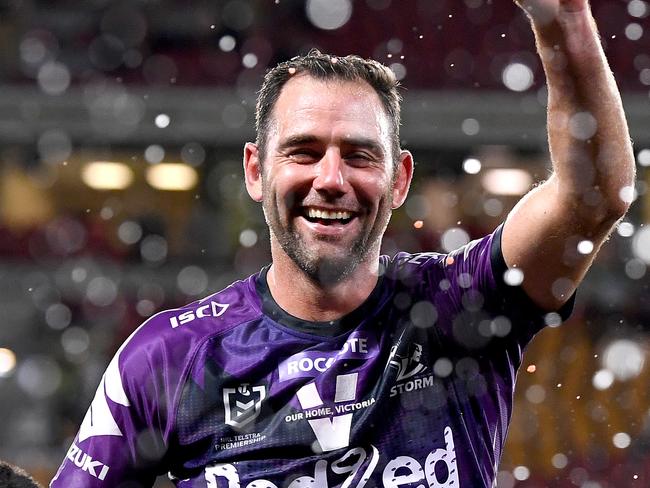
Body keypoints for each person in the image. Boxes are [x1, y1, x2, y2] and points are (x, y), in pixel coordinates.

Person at [51, 0, 635, 486]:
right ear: (255, 171)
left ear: (400, 179)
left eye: (359, 155)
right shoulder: (166, 359)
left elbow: (598, 197)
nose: (331, 180)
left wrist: (565, 20)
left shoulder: (462, 304)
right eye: (304, 151)